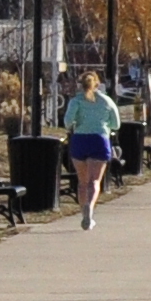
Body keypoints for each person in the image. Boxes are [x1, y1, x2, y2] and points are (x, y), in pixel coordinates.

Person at [60, 67, 121, 228]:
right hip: (99, 140)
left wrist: (76, 124)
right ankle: (90, 208)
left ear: (81, 85)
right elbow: (116, 124)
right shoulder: (106, 101)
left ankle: (83, 211)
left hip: (80, 140)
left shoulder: (76, 101)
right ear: (97, 84)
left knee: (82, 182)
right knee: (94, 181)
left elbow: (67, 122)